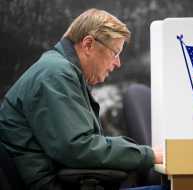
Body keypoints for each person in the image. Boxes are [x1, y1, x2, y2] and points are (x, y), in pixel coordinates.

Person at [0, 8, 163, 190]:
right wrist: (149, 155)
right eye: (115, 53)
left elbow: (81, 145)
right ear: (88, 44)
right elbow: (79, 148)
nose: (118, 63)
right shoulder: (55, 75)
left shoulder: (60, 71)